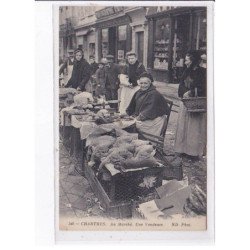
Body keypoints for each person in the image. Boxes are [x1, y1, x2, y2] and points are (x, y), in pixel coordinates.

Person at [174, 50, 206, 158]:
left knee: (193, 128)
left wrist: (191, 92)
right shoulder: (186, 70)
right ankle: (182, 149)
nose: (185, 62)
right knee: (183, 126)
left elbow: (203, 86)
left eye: (187, 60)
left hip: (195, 104)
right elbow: (182, 83)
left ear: (193, 60)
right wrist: (183, 93)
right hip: (185, 102)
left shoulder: (202, 72)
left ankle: (192, 152)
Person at [126, 72, 170, 137]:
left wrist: (137, 118)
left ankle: (143, 141)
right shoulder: (139, 92)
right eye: (141, 83)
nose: (143, 85)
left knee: (131, 125)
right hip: (144, 117)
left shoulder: (154, 94)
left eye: (145, 83)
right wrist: (129, 114)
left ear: (150, 83)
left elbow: (149, 110)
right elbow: (132, 106)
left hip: (155, 120)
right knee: (126, 123)